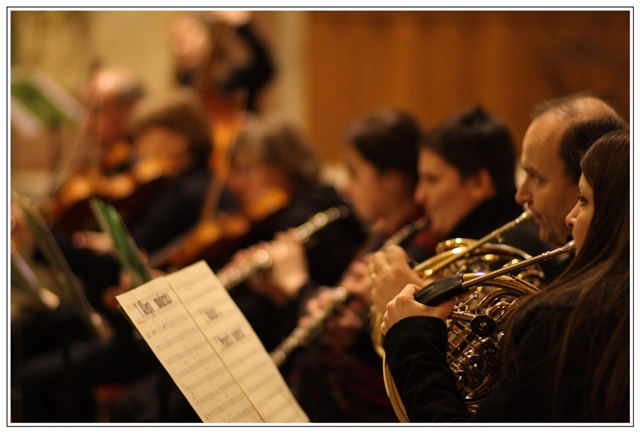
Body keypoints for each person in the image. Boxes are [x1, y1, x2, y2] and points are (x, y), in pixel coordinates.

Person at [110, 115, 366, 422]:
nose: (237, 182)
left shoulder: (306, 220)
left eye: (247, 170)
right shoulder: (277, 215)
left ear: (281, 166)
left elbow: (273, 312)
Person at [381, 128, 629, 422]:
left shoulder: (565, 319)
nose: (570, 217)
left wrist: (412, 341)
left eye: (584, 200)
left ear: (618, 218)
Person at [17, 86, 234, 423]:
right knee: (29, 337)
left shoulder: (188, 194)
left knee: (34, 374)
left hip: (156, 341)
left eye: (147, 135)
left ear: (179, 141)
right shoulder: (175, 185)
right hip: (132, 322)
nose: (137, 146)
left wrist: (48, 241)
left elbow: (123, 263)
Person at [245, 108, 437, 422]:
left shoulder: (419, 244)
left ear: (391, 181)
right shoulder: (382, 231)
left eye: (355, 174)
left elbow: (382, 354)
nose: (346, 187)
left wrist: (298, 287)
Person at [370, 105, 552, 317]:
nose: (419, 196)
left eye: (432, 180)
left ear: (478, 183)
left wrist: (413, 299)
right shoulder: (462, 242)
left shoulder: (513, 251)